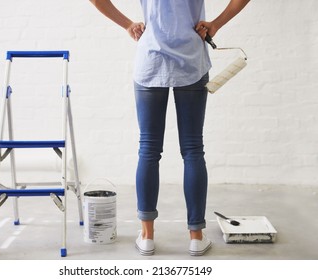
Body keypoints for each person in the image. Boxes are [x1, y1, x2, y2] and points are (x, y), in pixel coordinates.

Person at [89, 0, 250, 256]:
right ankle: (196, 237)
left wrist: (128, 25)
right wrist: (216, 24)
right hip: (192, 60)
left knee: (149, 150)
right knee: (193, 150)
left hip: (150, 59)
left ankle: (147, 236)